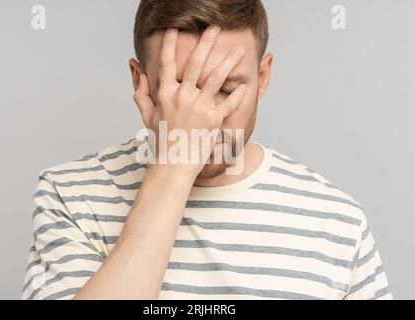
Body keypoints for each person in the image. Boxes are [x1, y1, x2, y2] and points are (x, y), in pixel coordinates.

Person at [22, 0, 392, 300]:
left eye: (227, 90)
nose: (205, 118)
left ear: (263, 77)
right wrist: (173, 167)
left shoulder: (337, 221)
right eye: (180, 91)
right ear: (140, 82)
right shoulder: (70, 194)